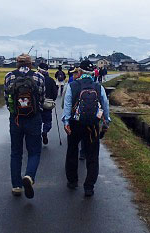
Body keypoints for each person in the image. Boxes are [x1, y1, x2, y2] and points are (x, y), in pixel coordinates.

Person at [62, 60, 110, 197]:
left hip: (75, 124)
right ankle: (89, 187)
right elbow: (105, 106)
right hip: (92, 126)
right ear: (92, 72)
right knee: (92, 155)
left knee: (72, 151)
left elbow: (67, 104)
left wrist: (66, 122)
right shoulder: (98, 86)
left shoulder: (73, 85)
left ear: (80, 71)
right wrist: (106, 122)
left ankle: (72, 181)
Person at [4, 54, 45, 199]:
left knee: (16, 152)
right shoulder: (39, 77)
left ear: (17, 63)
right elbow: (41, 98)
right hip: (33, 118)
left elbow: (6, 98)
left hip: (15, 119)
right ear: (30, 64)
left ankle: (16, 186)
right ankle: (29, 176)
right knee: (34, 151)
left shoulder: (9, 76)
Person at [38, 62, 58, 145]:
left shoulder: (35, 79)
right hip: (47, 104)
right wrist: (52, 100)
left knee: (37, 121)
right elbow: (55, 93)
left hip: (37, 104)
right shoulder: (50, 80)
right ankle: (45, 131)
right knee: (47, 121)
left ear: (39, 69)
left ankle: (37, 135)